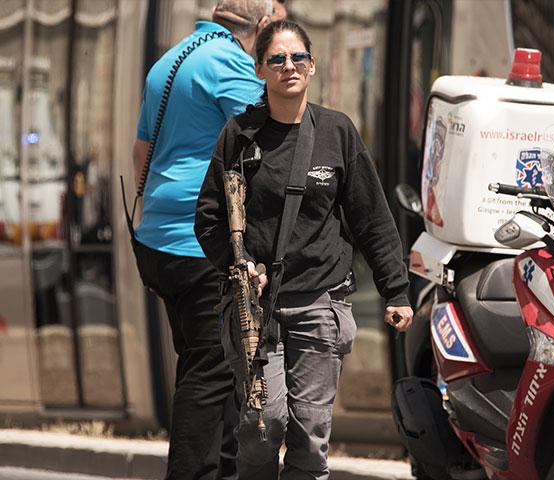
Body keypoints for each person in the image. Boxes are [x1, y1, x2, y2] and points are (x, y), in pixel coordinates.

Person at [194, 20, 413, 480]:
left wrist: (396, 290)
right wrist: (239, 266)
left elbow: (371, 217)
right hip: (256, 309)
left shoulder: (338, 132)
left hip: (321, 301)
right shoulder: (239, 136)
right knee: (262, 425)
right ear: (260, 70)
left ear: (312, 67)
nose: (288, 66)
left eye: (297, 58)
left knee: (310, 436)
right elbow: (210, 218)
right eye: (276, 59)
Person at [131, 1, 285, 479]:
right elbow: (271, 138)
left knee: (204, 365)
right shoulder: (229, 64)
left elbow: (140, 153)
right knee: (213, 368)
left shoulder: (170, 59)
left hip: (157, 237)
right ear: (261, 28)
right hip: (197, 244)